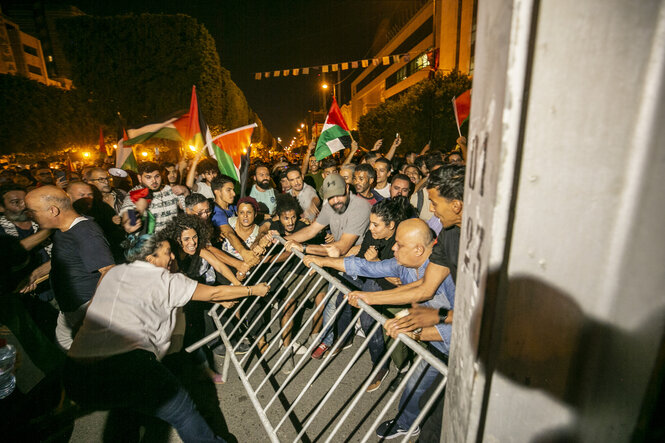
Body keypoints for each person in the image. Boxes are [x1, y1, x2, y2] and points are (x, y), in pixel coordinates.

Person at [63, 233, 269, 443]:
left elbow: (90, 312)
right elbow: (215, 294)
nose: (172, 257)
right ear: (150, 259)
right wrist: (253, 290)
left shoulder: (113, 272)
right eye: (167, 253)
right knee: (183, 413)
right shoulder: (166, 280)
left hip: (77, 372)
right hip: (128, 365)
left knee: (126, 413)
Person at [284, 173, 371, 358]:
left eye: (339, 195)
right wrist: (283, 240)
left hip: (360, 261)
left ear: (348, 188)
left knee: (348, 305)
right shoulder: (330, 205)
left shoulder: (361, 207)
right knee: (336, 302)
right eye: (331, 198)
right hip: (338, 258)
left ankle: (337, 340)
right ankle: (331, 339)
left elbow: (342, 247)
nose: (336, 201)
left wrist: (304, 248)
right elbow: (311, 229)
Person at [24, 185, 115, 350]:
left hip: (85, 306)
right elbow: (66, 259)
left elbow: (109, 272)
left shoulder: (85, 232)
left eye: (33, 212)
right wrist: (34, 275)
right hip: (70, 307)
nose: (31, 217)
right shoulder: (62, 229)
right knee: (66, 348)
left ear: (53, 211)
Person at [120, 162, 187, 234]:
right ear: (139, 178)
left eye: (157, 176)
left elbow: (188, 208)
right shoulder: (135, 192)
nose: (154, 181)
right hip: (151, 242)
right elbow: (129, 208)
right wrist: (132, 221)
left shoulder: (171, 190)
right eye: (148, 177)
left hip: (172, 239)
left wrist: (186, 191)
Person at [68, 182, 126, 263]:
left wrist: (115, 223)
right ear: (68, 196)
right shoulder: (64, 213)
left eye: (90, 194)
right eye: (82, 195)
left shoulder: (102, 207)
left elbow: (116, 236)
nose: (87, 198)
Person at [210, 175, 260, 267]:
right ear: (217, 192)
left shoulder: (231, 207)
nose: (233, 193)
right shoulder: (216, 212)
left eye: (233, 190)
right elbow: (228, 233)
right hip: (227, 259)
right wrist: (243, 252)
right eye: (229, 190)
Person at [221, 196, 270, 260]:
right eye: (241, 212)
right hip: (222, 262)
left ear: (255, 214)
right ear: (237, 213)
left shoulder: (259, 233)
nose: (245, 216)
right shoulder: (228, 223)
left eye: (249, 212)